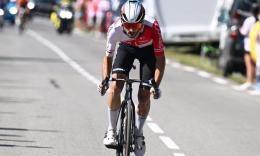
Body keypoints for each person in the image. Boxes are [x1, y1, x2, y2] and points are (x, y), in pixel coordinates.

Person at [98, 1, 165, 155]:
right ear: (122, 21)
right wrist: (105, 80)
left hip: (147, 51)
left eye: (135, 26)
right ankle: (111, 131)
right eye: (127, 25)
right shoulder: (115, 29)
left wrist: (155, 84)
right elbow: (107, 58)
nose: (130, 30)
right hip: (126, 49)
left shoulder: (153, 26)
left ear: (142, 23)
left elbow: (160, 59)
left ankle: (138, 133)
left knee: (144, 95)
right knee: (115, 87)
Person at [236, 3, 259, 91]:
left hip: (249, 45)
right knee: (255, 66)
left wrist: (239, 28)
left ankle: (249, 81)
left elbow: (244, 32)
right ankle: (253, 82)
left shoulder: (250, 20)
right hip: (256, 47)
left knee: (249, 65)